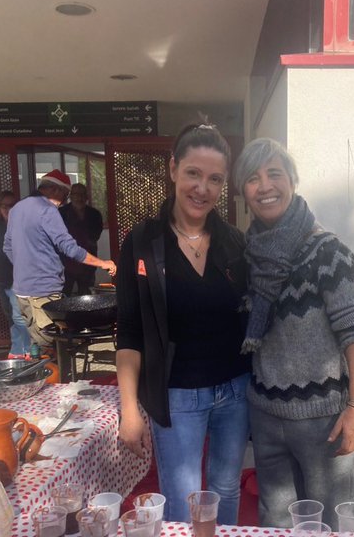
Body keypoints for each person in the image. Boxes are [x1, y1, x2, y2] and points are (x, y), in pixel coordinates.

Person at [116, 124, 249, 524]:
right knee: (183, 499)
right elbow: (129, 329)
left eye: (214, 179)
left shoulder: (234, 243)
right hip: (177, 396)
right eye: (193, 173)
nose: (202, 188)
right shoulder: (142, 242)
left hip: (236, 390)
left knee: (226, 490)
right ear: (173, 169)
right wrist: (129, 409)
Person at [237, 140, 354, 527]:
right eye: (252, 178)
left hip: (324, 422)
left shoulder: (329, 253)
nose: (264, 186)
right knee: (274, 520)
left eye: (274, 174)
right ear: (244, 193)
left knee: (329, 523)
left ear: (292, 181)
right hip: (265, 415)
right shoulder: (249, 256)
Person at [4, 170, 116, 351]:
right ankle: (54, 377)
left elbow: (7, 246)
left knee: (37, 343)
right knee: (52, 346)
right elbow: (69, 247)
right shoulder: (47, 210)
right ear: (55, 190)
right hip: (43, 290)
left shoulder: (17, 208)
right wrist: (103, 263)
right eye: (64, 195)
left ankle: (42, 374)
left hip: (21, 291)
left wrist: (24, 267)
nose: (64, 201)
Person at [0, 191, 31, 357]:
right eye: (5, 206)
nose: (8, 209)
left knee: (19, 315)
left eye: (12, 205)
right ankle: (17, 348)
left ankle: (28, 348)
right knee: (10, 315)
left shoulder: (22, 225)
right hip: (0, 277)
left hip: (18, 278)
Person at [60, 182, 104, 296]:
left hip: (87, 263)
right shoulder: (61, 213)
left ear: (87, 197)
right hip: (66, 264)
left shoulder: (94, 214)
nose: (79, 197)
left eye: (82, 194)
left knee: (86, 296)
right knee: (64, 295)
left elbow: (95, 235)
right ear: (70, 196)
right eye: (76, 194)